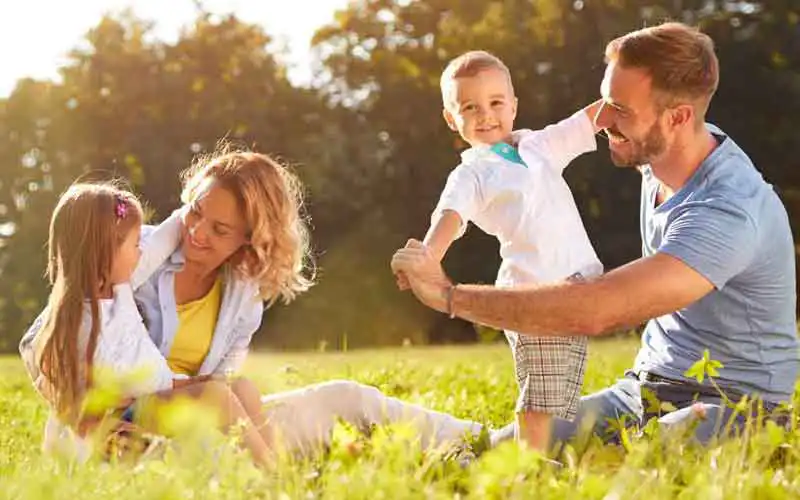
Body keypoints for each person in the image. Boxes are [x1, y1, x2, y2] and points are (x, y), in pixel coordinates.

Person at [392, 22, 799, 446]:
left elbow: (595, 310)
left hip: (735, 404)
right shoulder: (657, 156)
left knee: (657, 453)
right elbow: (573, 131)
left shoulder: (729, 208)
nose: (605, 121)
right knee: (510, 449)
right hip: (643, 391)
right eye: (606, 103)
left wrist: (448, 296)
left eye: (620, 111)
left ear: (677, 117)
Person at [405, 49, 603, 451]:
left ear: (514, 106)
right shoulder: (472, 172)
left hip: (577, 284)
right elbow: (450, 216)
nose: (486, 115)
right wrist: (429, 257)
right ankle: (529, 466)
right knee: (540, 393)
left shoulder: (538, 146)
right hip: (532, 290)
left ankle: (530, 453)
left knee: (561, 386)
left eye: (496, 103)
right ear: (451, 118)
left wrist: (628, 102)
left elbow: (586, 121)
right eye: (470, 107)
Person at [18, 183, 277, 468]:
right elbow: (49, 361)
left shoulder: (120, 294)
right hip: (119, 421)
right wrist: (80, 416)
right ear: (105, 252)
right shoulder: (79, 314)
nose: (142, 250)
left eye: (220, 228)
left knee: (241, 388)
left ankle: (277, 468)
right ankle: (274, 475)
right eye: (135, 244)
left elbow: (142, 364)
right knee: (216, 397)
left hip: (151, 397)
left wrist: (184, 384)